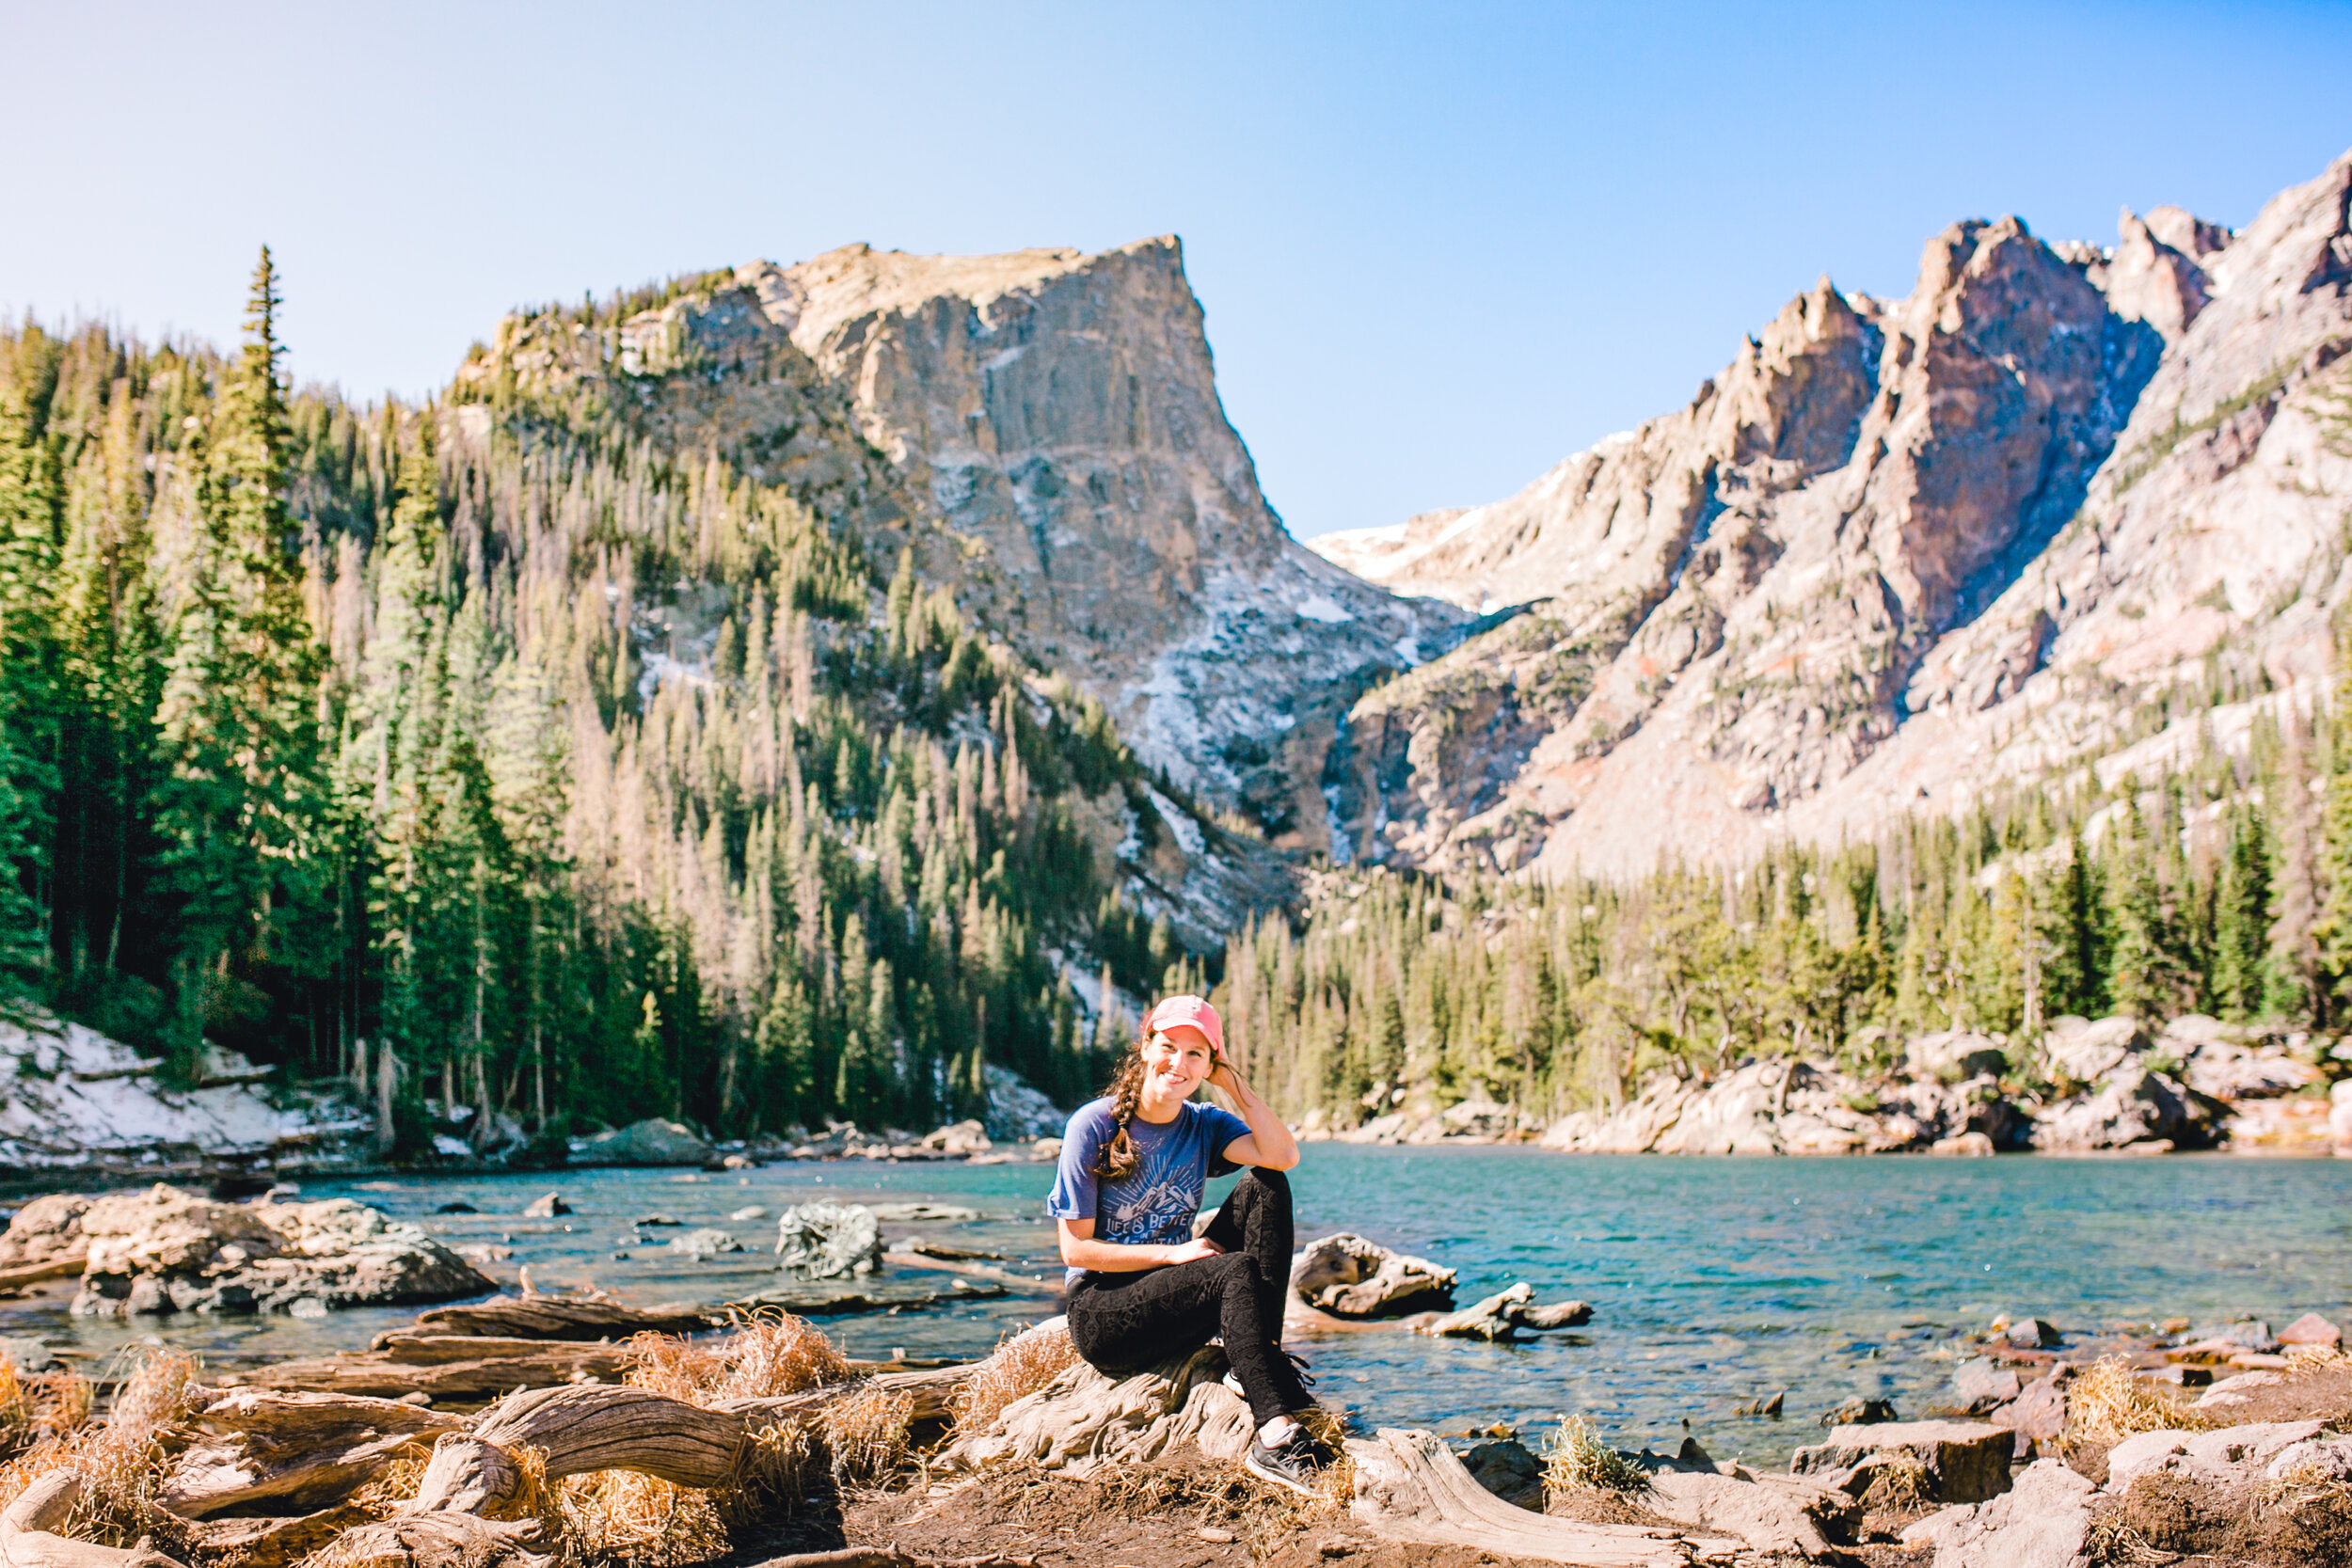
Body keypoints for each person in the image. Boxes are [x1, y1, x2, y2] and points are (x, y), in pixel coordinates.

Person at [1044, 993, 1333, 1494]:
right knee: (1233, 1268)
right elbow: (1075, 1251)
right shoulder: (1093, 1124)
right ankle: (1274, 1436)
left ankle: (1256, 1362)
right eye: (1168, 1046)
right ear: (1145, 1047)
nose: (1178, 1063)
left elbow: (1282, 1155)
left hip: (1170, 1292)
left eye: (1195, 1054)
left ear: (1210, 1064)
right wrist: (1174, 1253)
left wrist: (1235, 1087)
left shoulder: (1203, 1122)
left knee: (1268, 1184)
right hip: (1103, 1314)